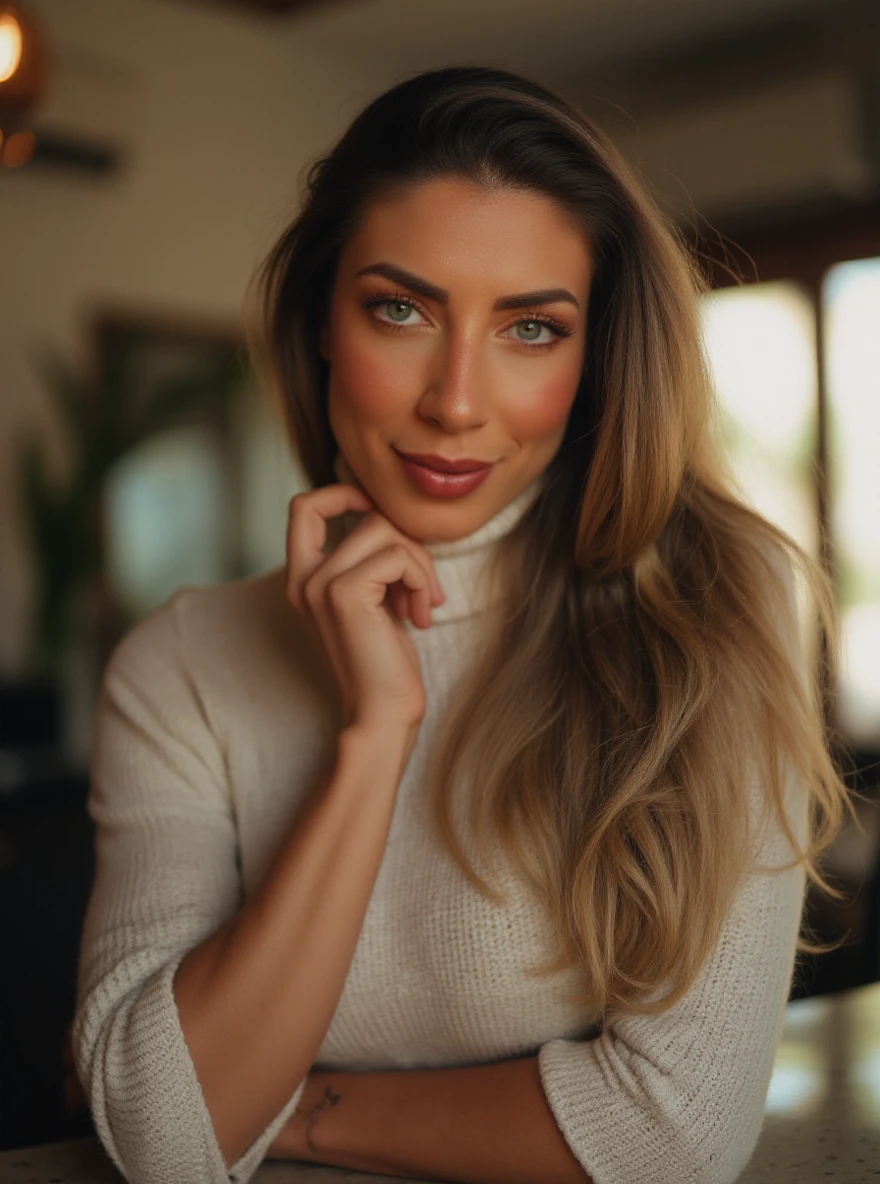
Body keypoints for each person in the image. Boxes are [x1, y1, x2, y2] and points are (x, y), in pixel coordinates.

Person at [71, 64, 856, 1184]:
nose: (453, 398)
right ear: (319, 321)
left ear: (591, 364)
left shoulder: (712, 622)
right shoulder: (181, 664)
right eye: (400, 308)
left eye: (530, 329)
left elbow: (670, 1135)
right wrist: (375, 733)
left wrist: (281, 1111)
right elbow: (159, 1133)